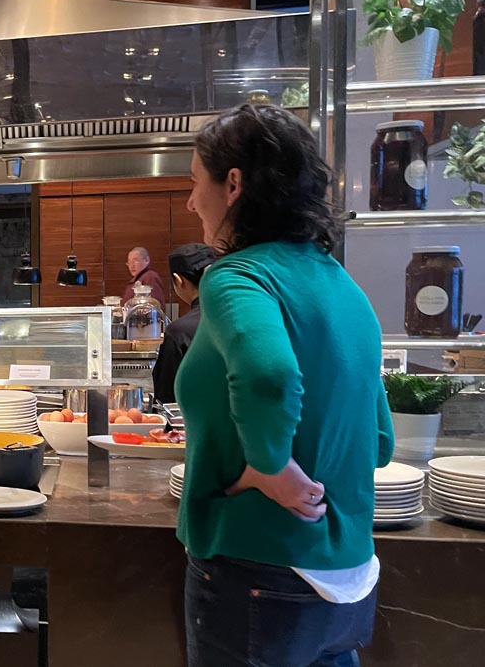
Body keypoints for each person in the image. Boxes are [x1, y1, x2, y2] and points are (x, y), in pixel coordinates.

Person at [176, 105, 393, 666]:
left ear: (233, 184)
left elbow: (269, 375)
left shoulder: (237, 275)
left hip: (260, 564)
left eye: (195, 183)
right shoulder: (341, 283)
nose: (190, 200)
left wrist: (272, 468)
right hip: (345, 580)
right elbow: (381, 439)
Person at [151, 243, 215, 405]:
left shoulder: (179, 331)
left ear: (179, 281)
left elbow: (165, 399)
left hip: (195, 427)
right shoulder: (242, 318)